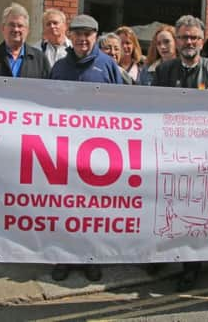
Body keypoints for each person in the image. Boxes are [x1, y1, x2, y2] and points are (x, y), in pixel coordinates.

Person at [153, 15, 208, 291]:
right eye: (184, 37)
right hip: (171, 155)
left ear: (202, 40)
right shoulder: (164, 70)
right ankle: (164, 257)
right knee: (170, 210)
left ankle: (192, 267)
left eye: (194, 38)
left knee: (198, 212)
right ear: (177, 40)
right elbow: (154, 112)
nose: (189, 42)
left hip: (204, 156)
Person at [49, 14, 122, 282]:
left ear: (96, 36)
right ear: (71, 35)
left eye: (88, 34)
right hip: (65, 149)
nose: (82, 39)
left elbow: (122, 106)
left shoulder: (109, 66)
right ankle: (63, 258)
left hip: (99, 150)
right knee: (64, 204)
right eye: (77, 33)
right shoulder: (59, 67)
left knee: (93, 207)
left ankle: (91, 257)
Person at [0, 3, 49, 79]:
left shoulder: (40, 59)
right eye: (12, 25)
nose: (16, 29)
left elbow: (48, 88)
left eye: (20, 26)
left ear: (27, 30)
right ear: (3, 28)